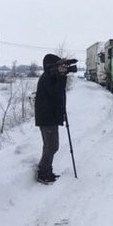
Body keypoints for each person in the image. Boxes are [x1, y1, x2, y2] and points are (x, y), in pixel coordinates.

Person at [34, 53, 69, 184]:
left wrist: (61, 76)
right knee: (53, 146)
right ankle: (43, 173)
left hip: (49, 116)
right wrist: (62, 77)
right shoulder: (47, 77)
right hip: (47, 117)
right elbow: (55, 93)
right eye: (59, 65)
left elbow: (57, 93)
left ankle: (47, 170)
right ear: (52, 66)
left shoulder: (51, 76)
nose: (61, 67)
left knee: (48, 146)